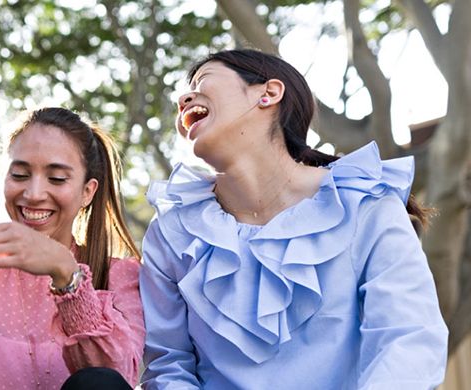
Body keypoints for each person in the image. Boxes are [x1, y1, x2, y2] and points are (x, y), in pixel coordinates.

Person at [139, 49, 448, 389]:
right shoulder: (170, 232)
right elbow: (168, 365)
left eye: (202, 81)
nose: (184, 98)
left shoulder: (366, 206)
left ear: (268, 93)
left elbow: (408, 339)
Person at [0, 107, 146, 389]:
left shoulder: (121, 275)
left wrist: (67, 275)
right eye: (20, 175)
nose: (34, 194)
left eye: (57, 179)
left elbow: (115, 379)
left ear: (87, 191)